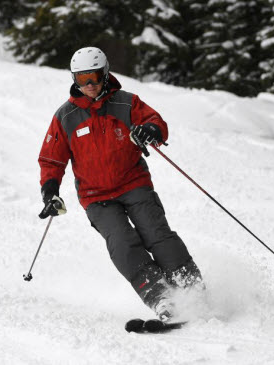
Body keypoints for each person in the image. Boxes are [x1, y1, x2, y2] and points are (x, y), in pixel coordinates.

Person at [37, 46, 203, 322]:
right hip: (96, 197)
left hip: (133, 184)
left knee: (157, 235)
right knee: (123, 246)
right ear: (74, 80)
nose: (89, 85)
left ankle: (191, 289)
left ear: (105, 74)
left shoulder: (126, 103)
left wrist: (150, 130)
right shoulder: (65, 117)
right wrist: (50, 191)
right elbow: (51, 159)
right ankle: (161, 297)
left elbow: (155, 121)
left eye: (94, 77)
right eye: (81, 79)